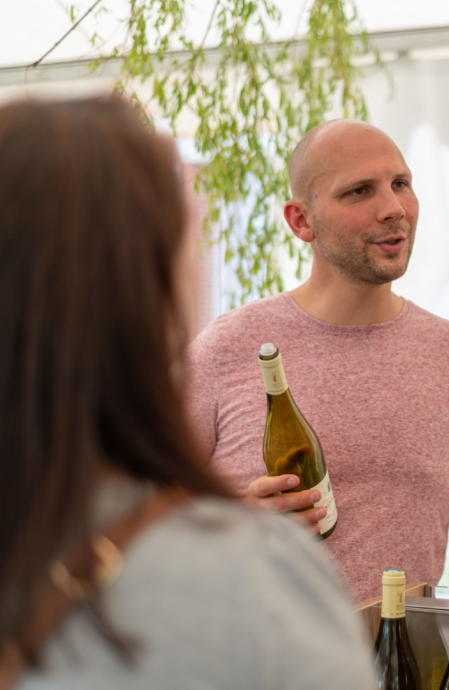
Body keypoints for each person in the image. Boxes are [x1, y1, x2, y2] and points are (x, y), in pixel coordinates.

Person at [0, 97, 374, 689]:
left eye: (400, 183)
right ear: (146, 290)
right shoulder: (251, 578)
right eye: (185, 234)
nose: (392, 208)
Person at [185, 119, 449, 607]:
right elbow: (135, 524)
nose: (394, 209)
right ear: (300, 220)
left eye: (401, 184)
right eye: (359, 192)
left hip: (405, 665)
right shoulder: (226, 348)